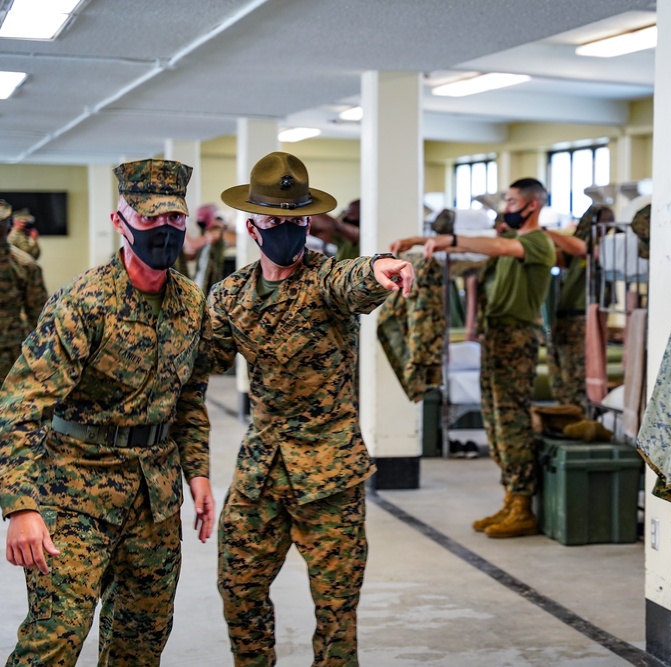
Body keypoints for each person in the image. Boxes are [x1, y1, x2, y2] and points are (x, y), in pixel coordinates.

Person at [0, 159, 215, 666]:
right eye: (150, 221)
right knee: (55, 638)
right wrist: (20, 505)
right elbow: (21, 404)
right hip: (75, 491)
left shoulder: (191, 303)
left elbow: (189, 397)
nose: (164, 231)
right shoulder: (83, 302)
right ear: (121, 223)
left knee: (140, 643)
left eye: (175, 221)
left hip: (155, 500)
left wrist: (199, 473)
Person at [208, 151, 414, 666]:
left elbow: (355, 279)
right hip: (262, 470)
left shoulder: (325, 280)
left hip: (329, 471)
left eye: (297, 221)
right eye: (276, 222)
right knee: (238, 588)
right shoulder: (230, 294)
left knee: (336, 608)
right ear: (253, 227)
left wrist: (380, 267)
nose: (287, 231)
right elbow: (198, 363)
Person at [420, 178, 556, 538]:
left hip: (517, 337)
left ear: (532, 205)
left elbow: (496, 246)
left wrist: (448, 240)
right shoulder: (509, 242)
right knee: (495, 422)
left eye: (511, 201)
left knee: (511, 421)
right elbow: (481, 254)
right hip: (496, 336)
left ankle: (523, 504)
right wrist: (418, 243)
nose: (505, 207)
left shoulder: (537, 242)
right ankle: (511, 498)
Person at [545, 204, 610, 410]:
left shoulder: (605, 248)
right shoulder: (574, 250)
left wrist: (544, 232)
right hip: (563, 318)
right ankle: (566, 415)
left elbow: (585, 250)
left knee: (577, 376)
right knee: (558, 374)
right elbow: (558, 256)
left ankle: (580, 416)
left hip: (582, 319)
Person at [0, 200, 47, 379]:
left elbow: (38, 314)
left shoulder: (24, 264)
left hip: (11, 351)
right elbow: (38, 315)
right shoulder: (25, 264)